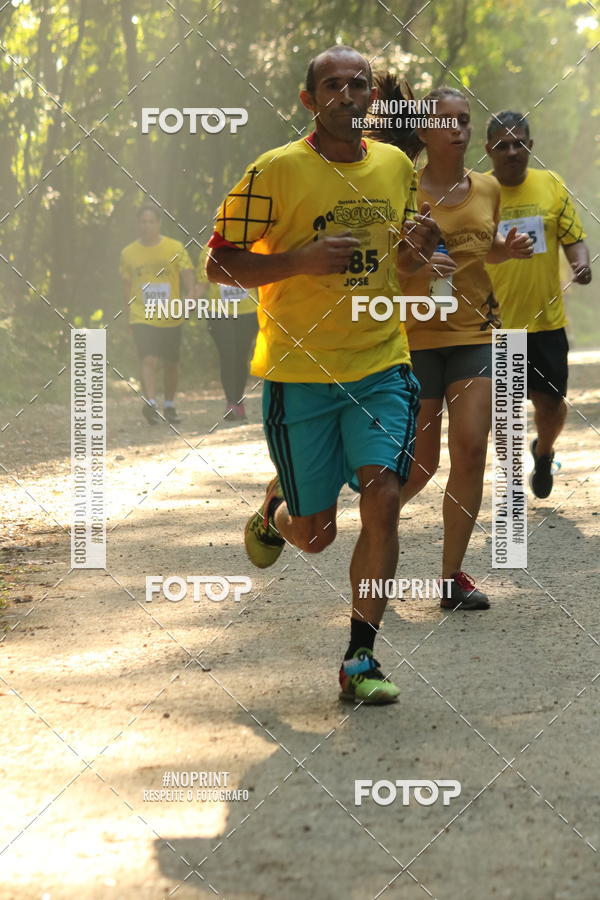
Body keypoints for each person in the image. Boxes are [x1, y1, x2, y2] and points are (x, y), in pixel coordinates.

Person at [207, 45, 440, 704]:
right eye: (332, 85)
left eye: (358, 84)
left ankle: (359, 658)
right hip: (300, 374)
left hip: (380, 364)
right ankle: (275, 510)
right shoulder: (275, 171)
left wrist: (417, 253)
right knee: (315, 536)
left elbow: (405, 264)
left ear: (373, 98)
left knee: (384, 494)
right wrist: (300, 262)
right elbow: (218, 264)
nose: (347, 94)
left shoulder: (395, 166)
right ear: (310, 101)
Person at [373, 81, 532, 610]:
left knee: (470, 449)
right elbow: (384, 268)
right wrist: (416, 266)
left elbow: (482, 249)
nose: (459, 129)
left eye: (465, 120)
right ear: (424, 130)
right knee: (420, 465)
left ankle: (451, 578)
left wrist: (507, 248)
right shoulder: (400, 189)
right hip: (416, 337)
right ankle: (374, 538)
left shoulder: (487, 188)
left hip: (477, 334)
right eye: (447, 120)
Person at [485, 111, 592, 498]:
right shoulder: (479, 192)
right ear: (489, 150)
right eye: (503, 146)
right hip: (498, 325)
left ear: (530, 146)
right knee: (505, 411)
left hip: (547, 322)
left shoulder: (551, 184)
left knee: (551, 405)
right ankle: (511, 483)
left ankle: (544, 452)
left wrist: (580, 264)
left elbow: (573, 238)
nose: (512, 152)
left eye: (519, 144)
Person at [120, 204, 194, 425]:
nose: (147, 226)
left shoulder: (175, 247)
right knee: (148, 359)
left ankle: (169, 405)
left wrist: (190, 296)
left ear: (159, 223)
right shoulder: (128, 253)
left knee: (171, 363)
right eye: (143, 222)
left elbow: (187, 273)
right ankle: (151, 403)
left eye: (151, 221)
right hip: (141, 315)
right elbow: (126, 285)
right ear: (138, 224)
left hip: (170, 315)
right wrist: (128, 314)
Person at [195, 251, 258, 423]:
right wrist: (188, 301)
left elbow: (260, 278)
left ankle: (239, 401)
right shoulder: (208, 251)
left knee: (241, 356)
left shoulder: (249, 246)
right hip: (219, 312)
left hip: (247, 311)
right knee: (228, 354)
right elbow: (203, 284)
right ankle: (231, 402)